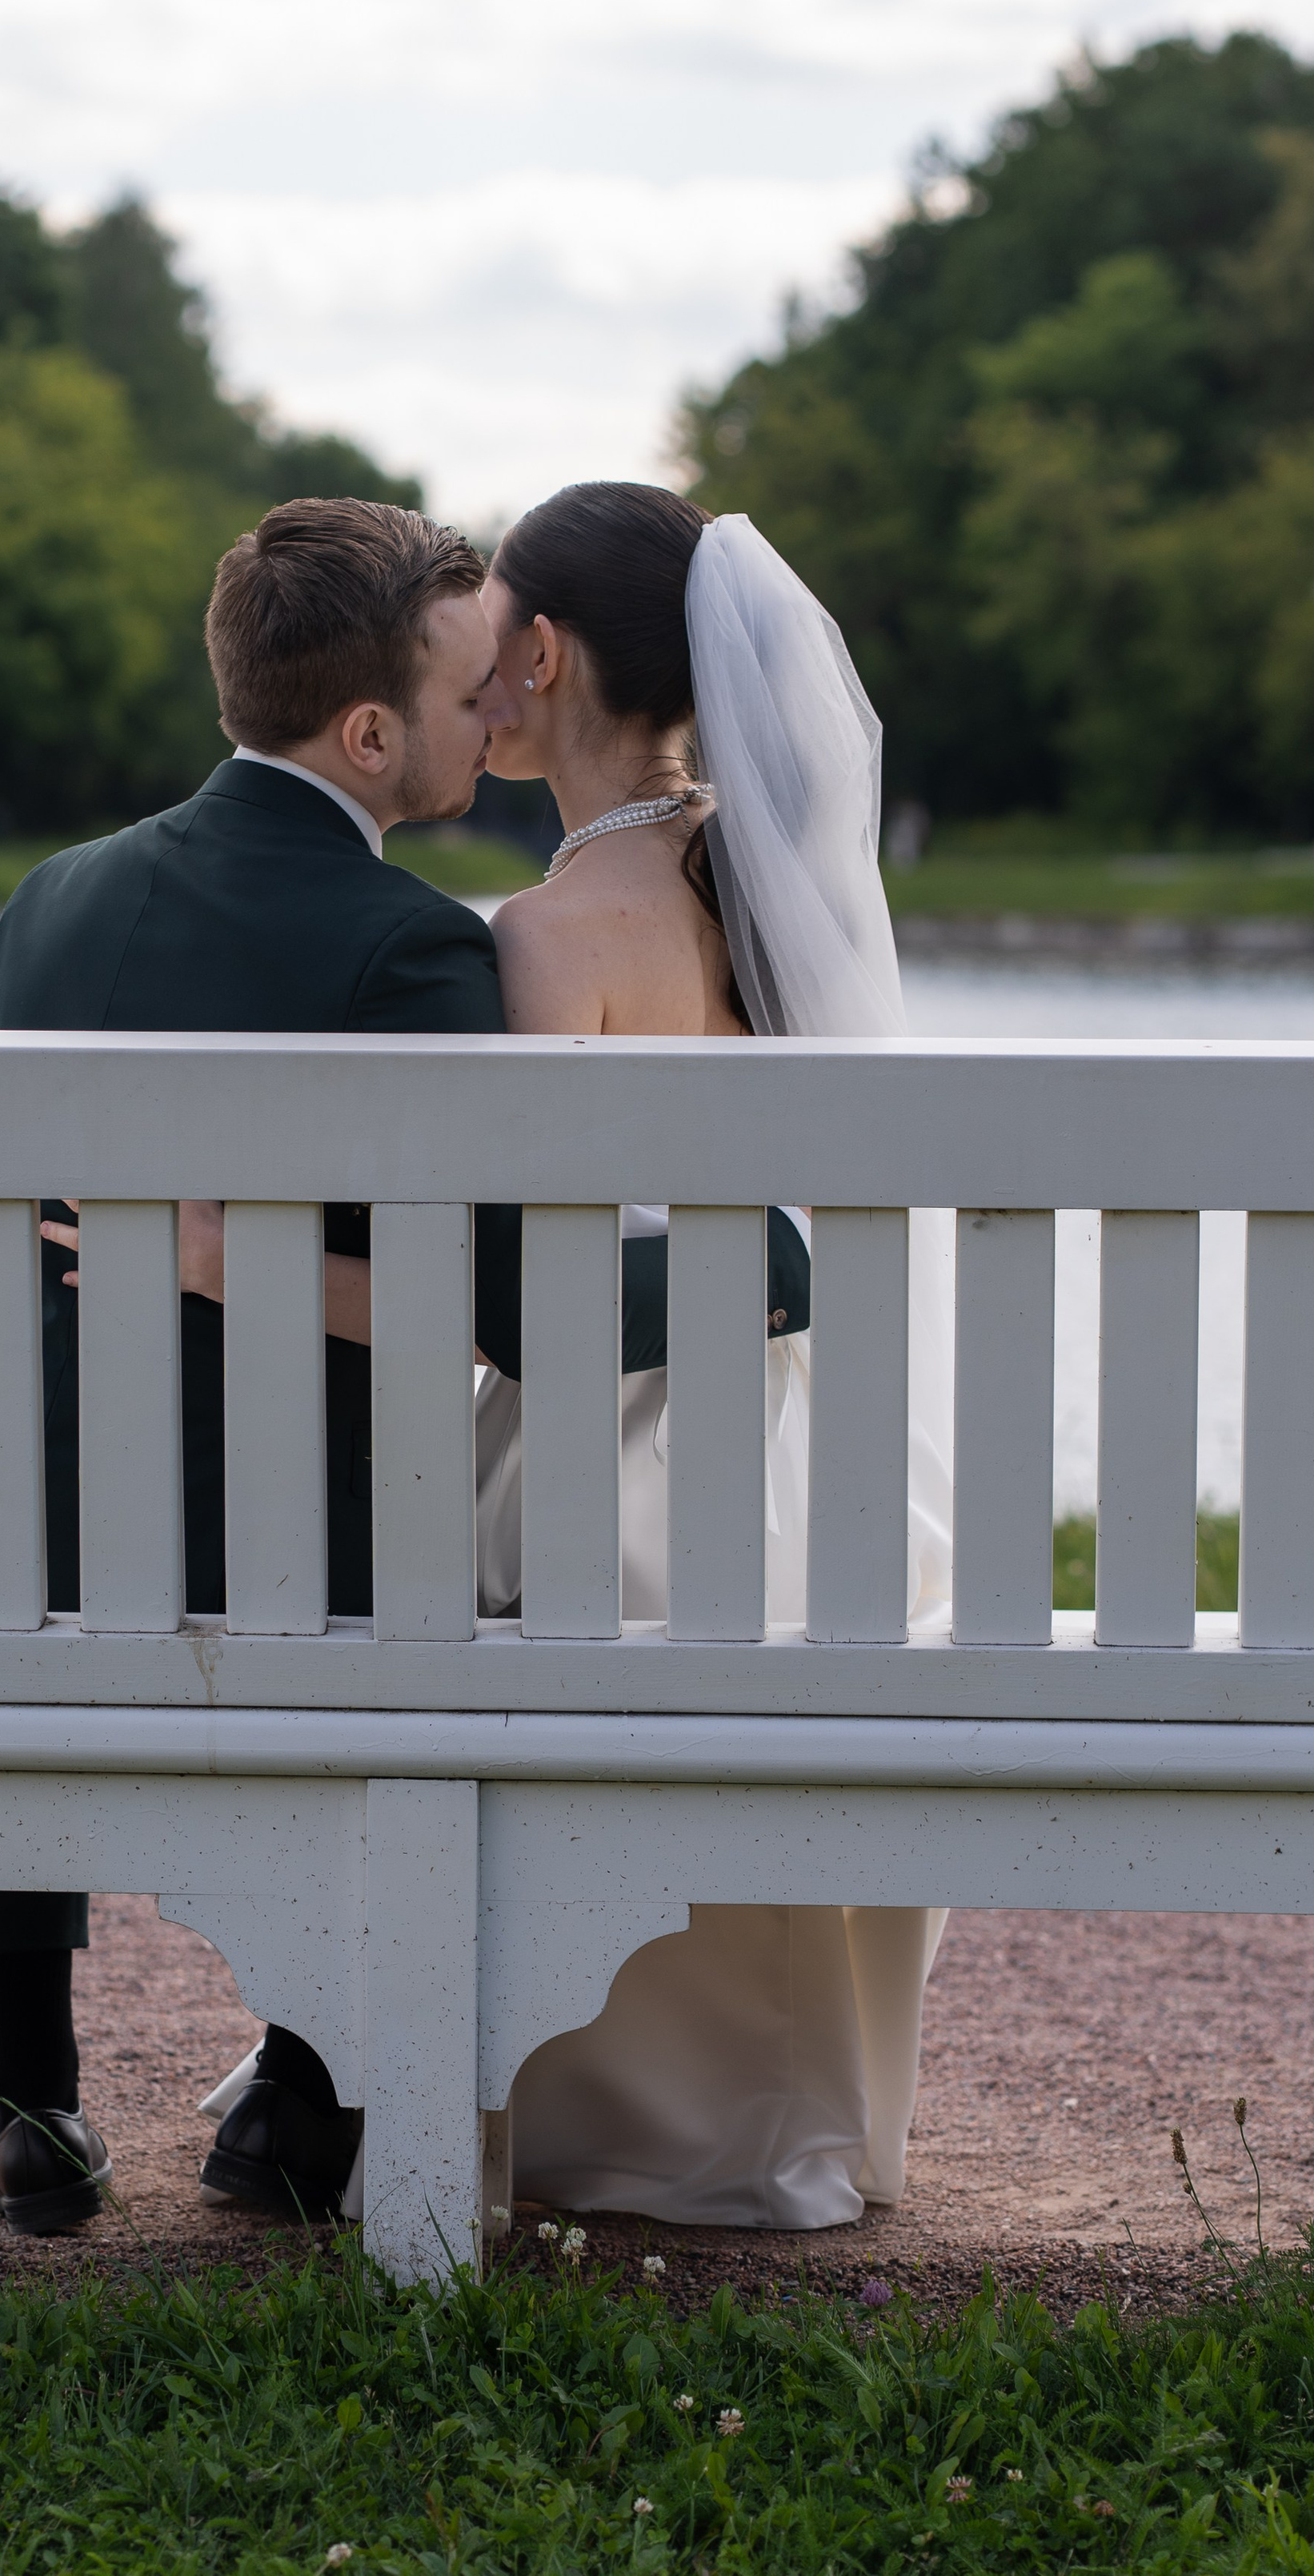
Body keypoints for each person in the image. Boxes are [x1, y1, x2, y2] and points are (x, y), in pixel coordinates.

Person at [0, 496, 799, 2236]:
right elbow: (503, 1307)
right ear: (372, 731)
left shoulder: (53, 897)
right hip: (275, 1540)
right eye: (470, 691)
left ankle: (39, 2095)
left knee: (20, 1498)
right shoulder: (412, 949)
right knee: (438, 1538)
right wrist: (760, 1260)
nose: (496, 716)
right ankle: (309, 2090)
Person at [472, 479, 951, 2230]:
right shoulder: (754, 886)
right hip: (804, 1466)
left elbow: (521, 1282)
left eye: (487, 647)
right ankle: (784, 2118)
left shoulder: (545, 934)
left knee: (508, 1554)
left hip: (623, 1460)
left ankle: (597, 2117)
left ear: (536, 654)